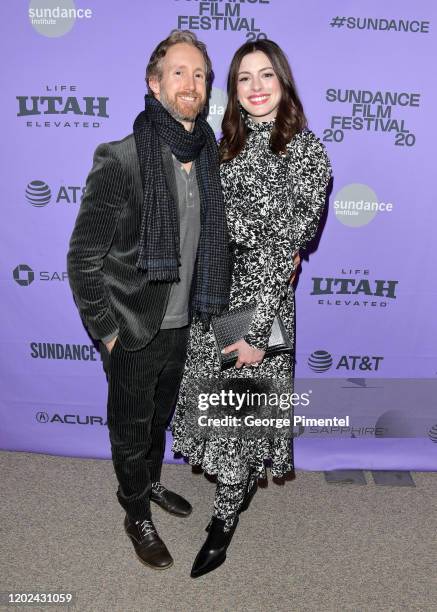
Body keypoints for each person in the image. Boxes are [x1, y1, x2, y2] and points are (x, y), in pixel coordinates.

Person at [67, 30, 230, 570]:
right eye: (178, 72)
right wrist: (108, 332)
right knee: (130, 428)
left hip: (185, 324)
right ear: (154, 83)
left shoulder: (211, 158)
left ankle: (151, 484)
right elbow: (83, 257)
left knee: (158, 420)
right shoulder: (123, 157)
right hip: (135, 327)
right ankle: (134, 509)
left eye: (200, 74)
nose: (191, 83)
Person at [172, 39, 332, 578]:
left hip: (259, 304)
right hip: (214, 296)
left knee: (240, 421)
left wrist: (260, 332)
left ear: (283, 83)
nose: (257, 87)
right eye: (245, 78)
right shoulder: (225, 146)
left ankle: (224, 519)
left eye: (267, 75)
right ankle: (231, 494)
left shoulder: (307, 152)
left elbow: (285, 250)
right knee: (218, 416)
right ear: (233, 91)